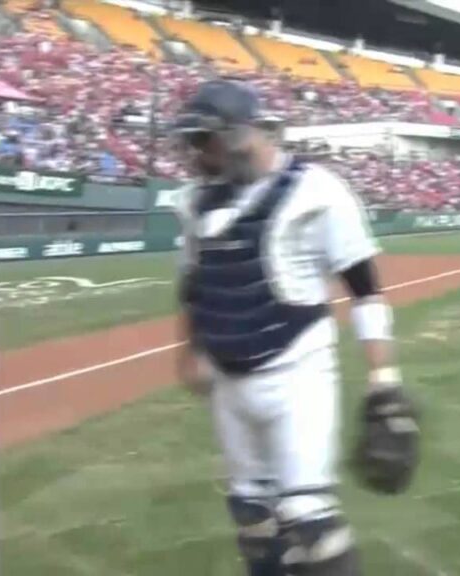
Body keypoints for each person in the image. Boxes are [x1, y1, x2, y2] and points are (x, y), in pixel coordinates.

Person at [170, 79, 420, 576]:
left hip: (296, 371)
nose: (196, 155)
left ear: (240, 135)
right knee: (254, 522)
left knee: (310, 520)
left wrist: (383, 379)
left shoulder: (316, 192)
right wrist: (188, 348)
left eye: (205, 141)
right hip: (227, 381)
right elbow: (194, 284)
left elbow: (365, 289)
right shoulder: (196, 203)